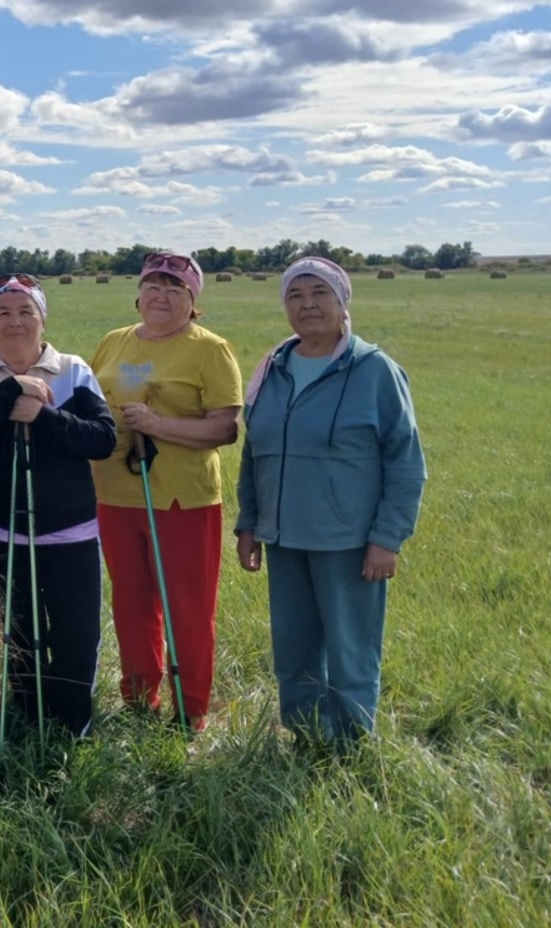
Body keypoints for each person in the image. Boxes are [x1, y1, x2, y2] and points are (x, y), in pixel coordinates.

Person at [235, 257, 426, 745]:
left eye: (320, 292)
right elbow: (254, 450)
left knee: (350, 650)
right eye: (295, 295)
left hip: (347, 540)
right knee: (293, 648)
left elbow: (405, 461)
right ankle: (305, 738)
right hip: (283, 536)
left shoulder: (374, 370)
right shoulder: (273, 368)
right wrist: (249, 522)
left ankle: (350, 746)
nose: (307, 304)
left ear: (343, 304)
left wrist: (387, 538)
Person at [0, 275, 117, 737]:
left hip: (71, 532)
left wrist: (43, 416)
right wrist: (10, 391)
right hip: (2, 532)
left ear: (43, 321)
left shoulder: (73, 371)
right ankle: (28, 719)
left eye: (26, 311)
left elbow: (102, 439)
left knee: (75, 632)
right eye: (3, 312)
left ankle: (72, 723)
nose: (15, 322)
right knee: (19, 634)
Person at [89, 253, 241, 731]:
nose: (162, 296)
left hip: (181, 500)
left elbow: (225, 428)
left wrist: (157, 425)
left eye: (176, 289)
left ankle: (190, 711)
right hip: (114, 495)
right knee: (131, 604)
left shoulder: (210, 349)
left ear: (193, 301)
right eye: (153, 286)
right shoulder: (113, 341)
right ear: (138, 295)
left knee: (187, 609)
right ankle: (139, 702)